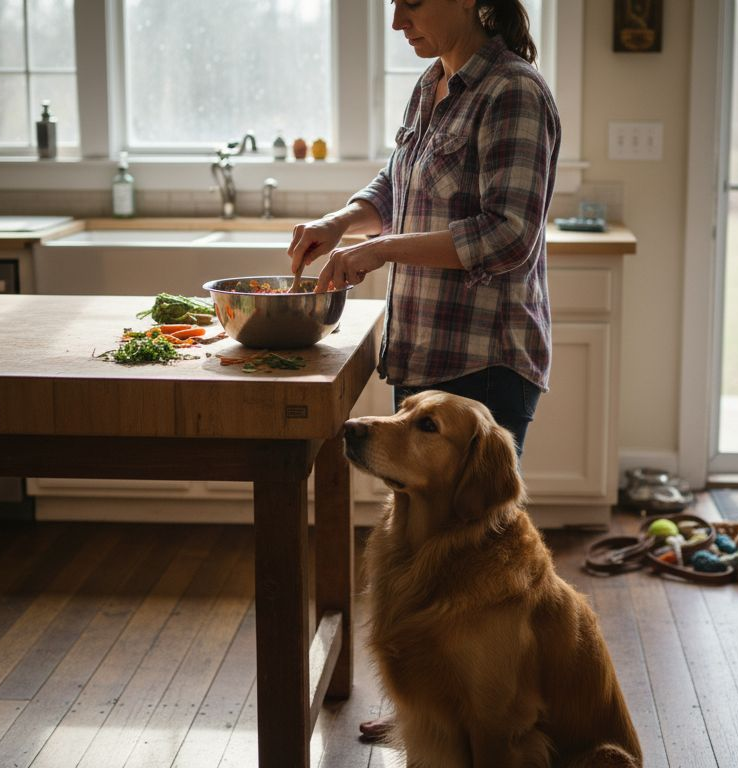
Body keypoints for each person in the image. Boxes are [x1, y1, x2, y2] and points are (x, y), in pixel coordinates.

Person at [285, 0, 560, 743]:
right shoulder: (435, 84)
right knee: (422, 553)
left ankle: (493, 716)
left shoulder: (515, 93)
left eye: (411, 1)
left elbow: (506, 235)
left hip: (485, 358)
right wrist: (341, 223)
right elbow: (397, 180)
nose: (397, 18)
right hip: (428, 355)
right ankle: (431, 708)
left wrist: (380, 251)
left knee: (478, 568)